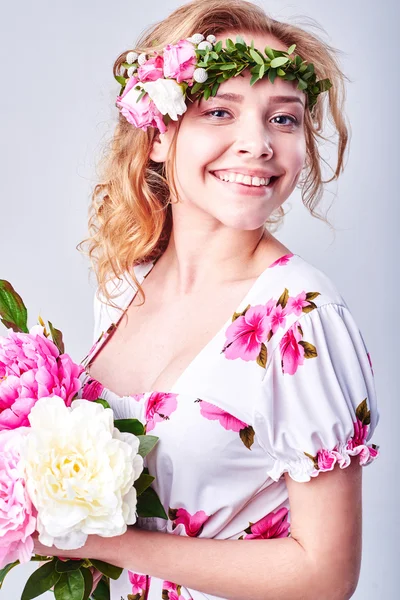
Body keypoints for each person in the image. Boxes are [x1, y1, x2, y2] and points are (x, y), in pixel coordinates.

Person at [33, 1, 380, 598]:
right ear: (161, 134)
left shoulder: (301, 318)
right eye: (219, 111)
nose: (257, 144)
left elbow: (326, 577)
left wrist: (87, 539)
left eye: (285, 119)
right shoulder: (124, 284)